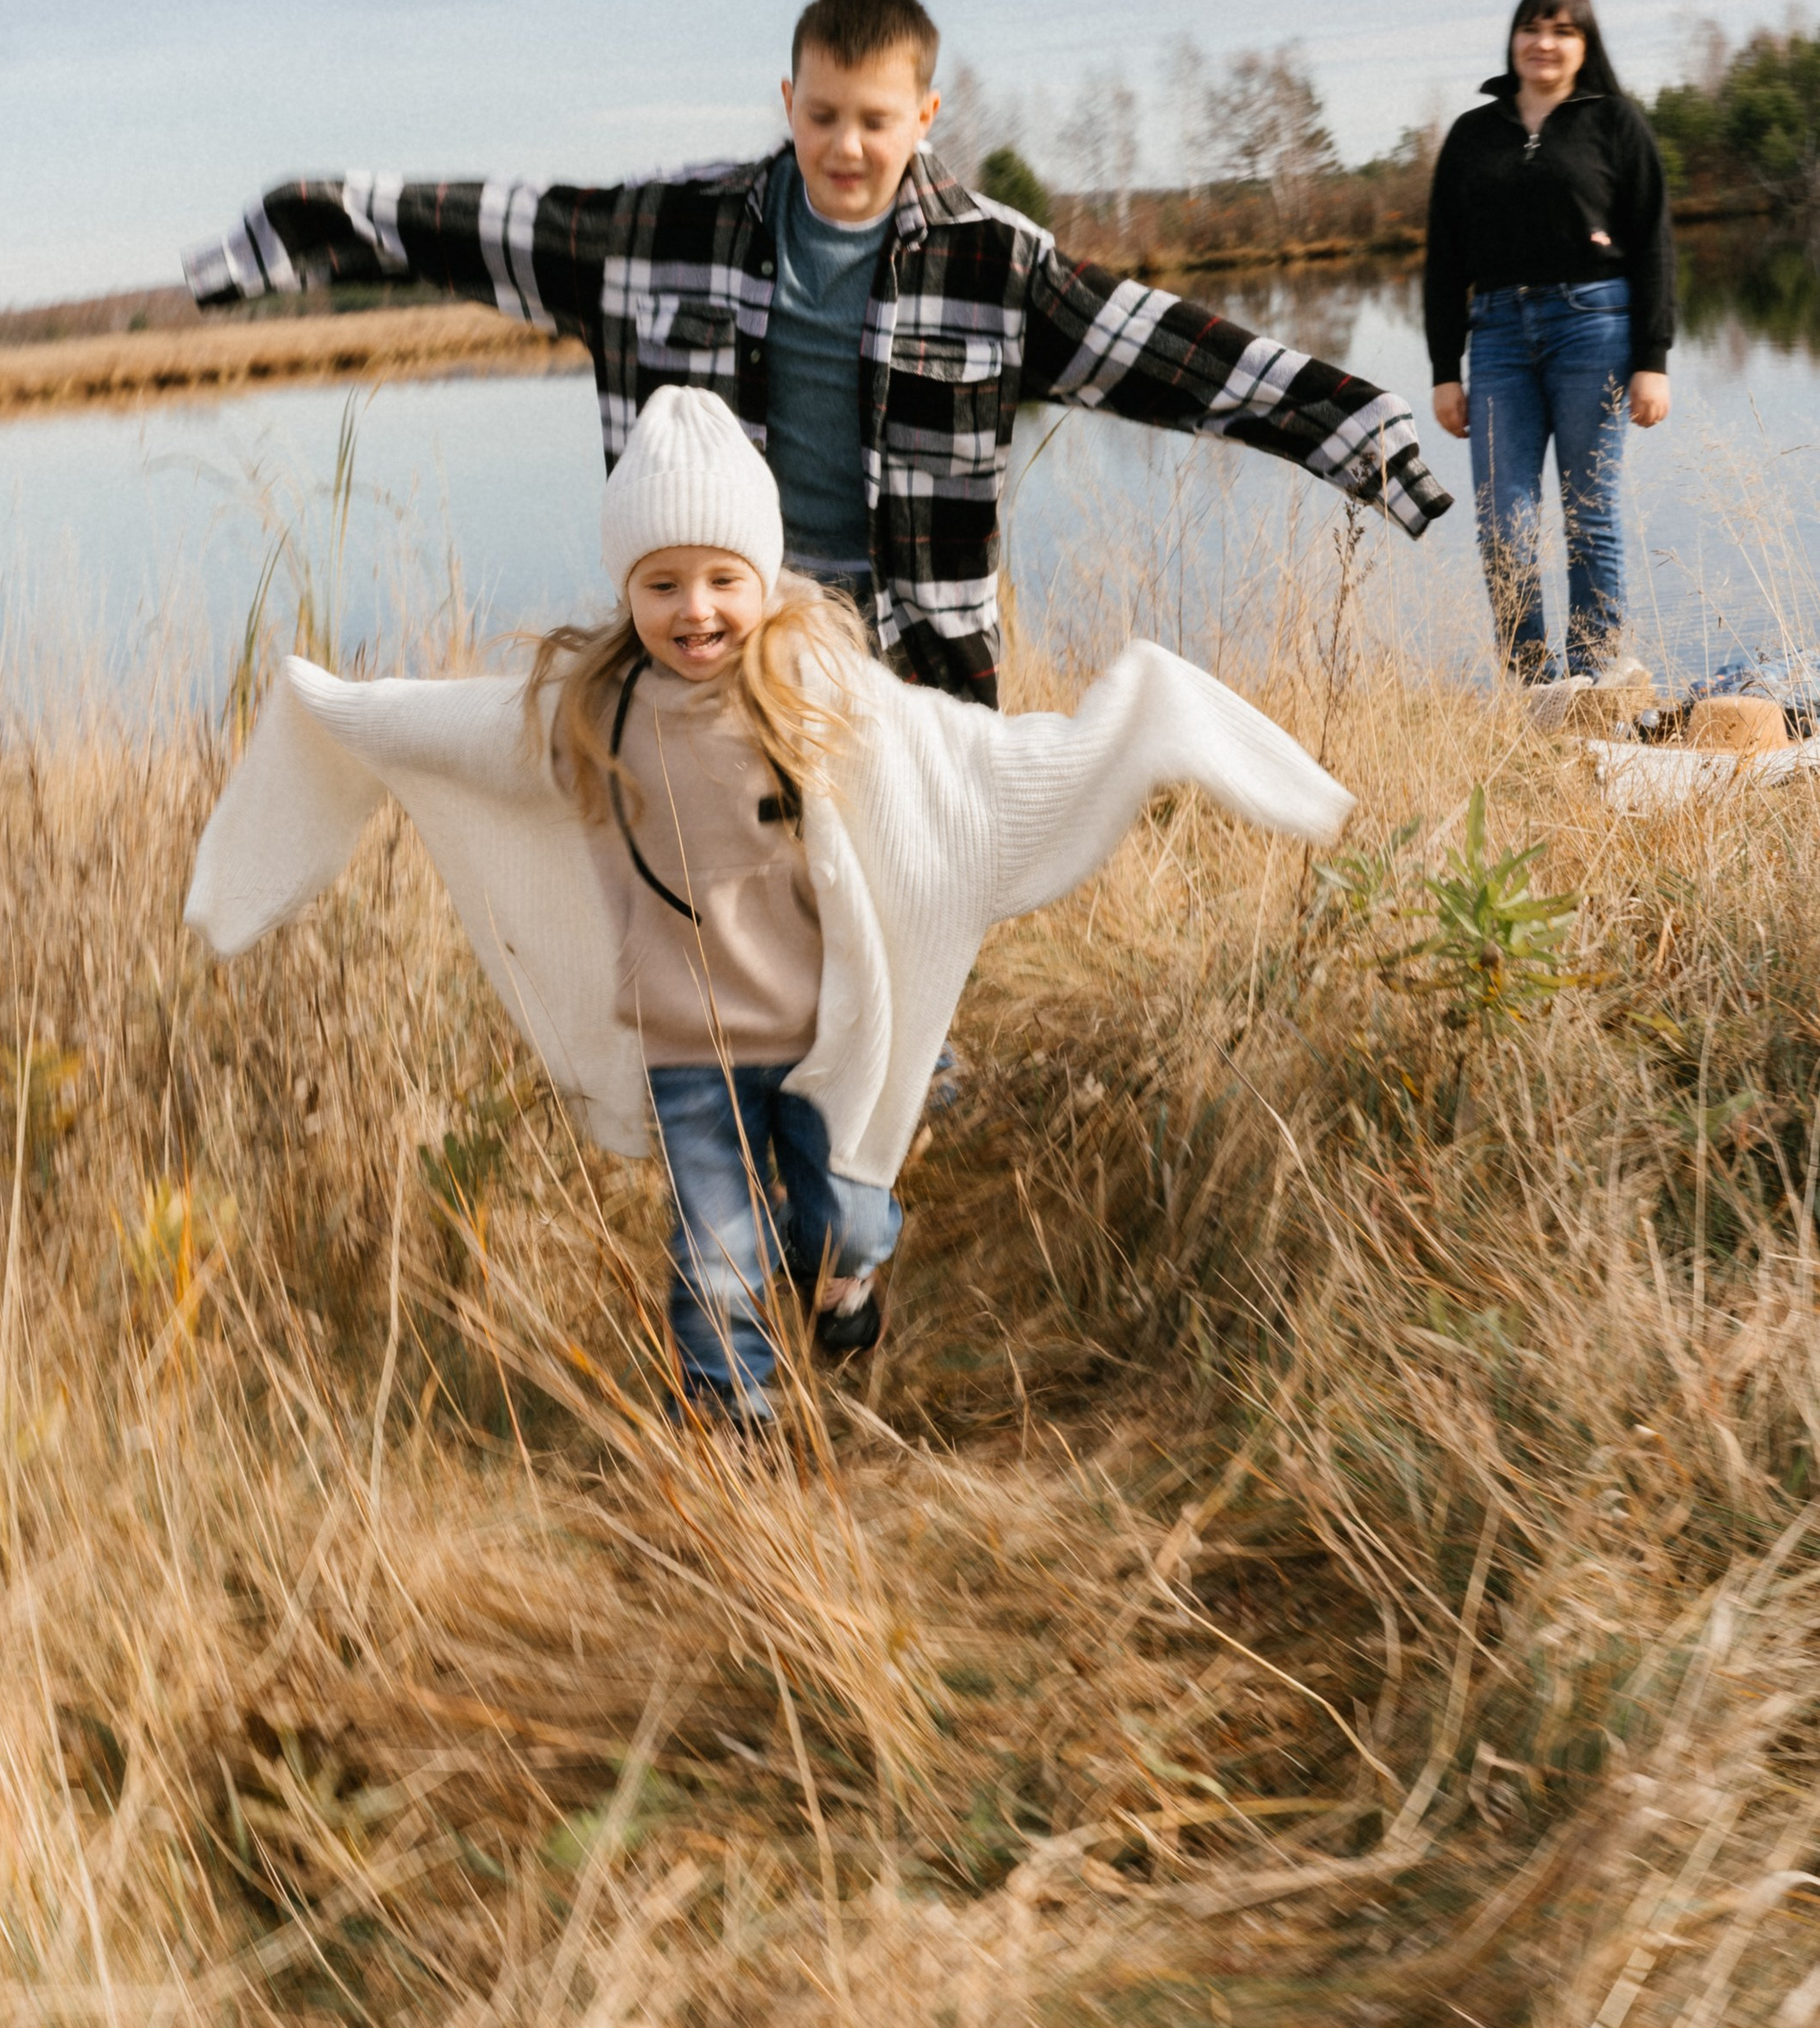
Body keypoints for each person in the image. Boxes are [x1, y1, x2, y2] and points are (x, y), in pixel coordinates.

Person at [185, 388, 1352, 1418]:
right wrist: (329, 707)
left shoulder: (814, 692)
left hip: (811, 1034)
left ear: (766, 578)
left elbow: (961, 760)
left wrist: (1127, 725)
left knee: (831, 1215)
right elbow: (438, 729)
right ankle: (730, 1408)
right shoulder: (592, 712)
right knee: (716, 1246)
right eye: (662, 584)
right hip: (687, 1049)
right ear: (626, 588)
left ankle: (852, 1267)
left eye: (722, 580)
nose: (696, 610)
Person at [183, 0, 1450, 704]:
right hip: (729, 620)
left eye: (877, 119)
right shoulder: (656, 230)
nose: (848, 147)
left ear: (926, 114)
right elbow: (464, 225)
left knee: (909, 881)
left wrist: (1363, 434)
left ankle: (905, 1074)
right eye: (824, 114)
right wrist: (285, 232)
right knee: (736, 883)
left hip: (918, 645)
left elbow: (1175, 354)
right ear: (788, 102)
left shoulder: (992, 261)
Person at [1424, 0, 1674, 687]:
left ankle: (1595, 681)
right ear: (1513, 39)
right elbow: (1444, 259)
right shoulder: (1474, 135)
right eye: (1533, 28)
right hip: (1497, 338)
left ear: (1584, 46)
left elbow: (1654, 241)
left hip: (1594, 327)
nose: (1545, 43)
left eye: (1563, 30)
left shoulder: (1615, 123)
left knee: (1589, 513)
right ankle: (1533, 689)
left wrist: (1652, 358)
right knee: (1503, 524)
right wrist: (1447, 369)